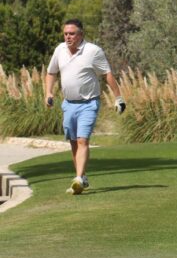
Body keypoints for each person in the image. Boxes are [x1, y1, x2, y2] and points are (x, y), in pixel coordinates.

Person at [45, 18, 126, 195]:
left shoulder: (93, 51)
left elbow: (107, 74)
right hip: (68, 104)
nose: (68, 37)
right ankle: (81, 177)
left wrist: (118, 98)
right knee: (73, 141)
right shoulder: (60, 50)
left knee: (82, 140)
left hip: (89, 103)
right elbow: (51, 72)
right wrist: (49, 92)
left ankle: (79, 179)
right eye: (66, 33)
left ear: (81, 34)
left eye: (72, 34)